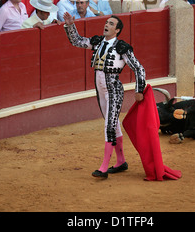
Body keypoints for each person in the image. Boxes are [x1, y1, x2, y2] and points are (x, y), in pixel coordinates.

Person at [63, 12, 146, 178]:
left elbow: (139, 68)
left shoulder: (122, 47)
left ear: (117, 30)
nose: (106, 25)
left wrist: (139, 89)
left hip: (114, 89)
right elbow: (77, 41)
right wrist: (70, 25)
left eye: (111, 24)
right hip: (100, 89)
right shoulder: (98, 42)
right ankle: (121, 161)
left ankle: (104, 167)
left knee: (109, 126)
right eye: (106, 22)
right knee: (113, 125)